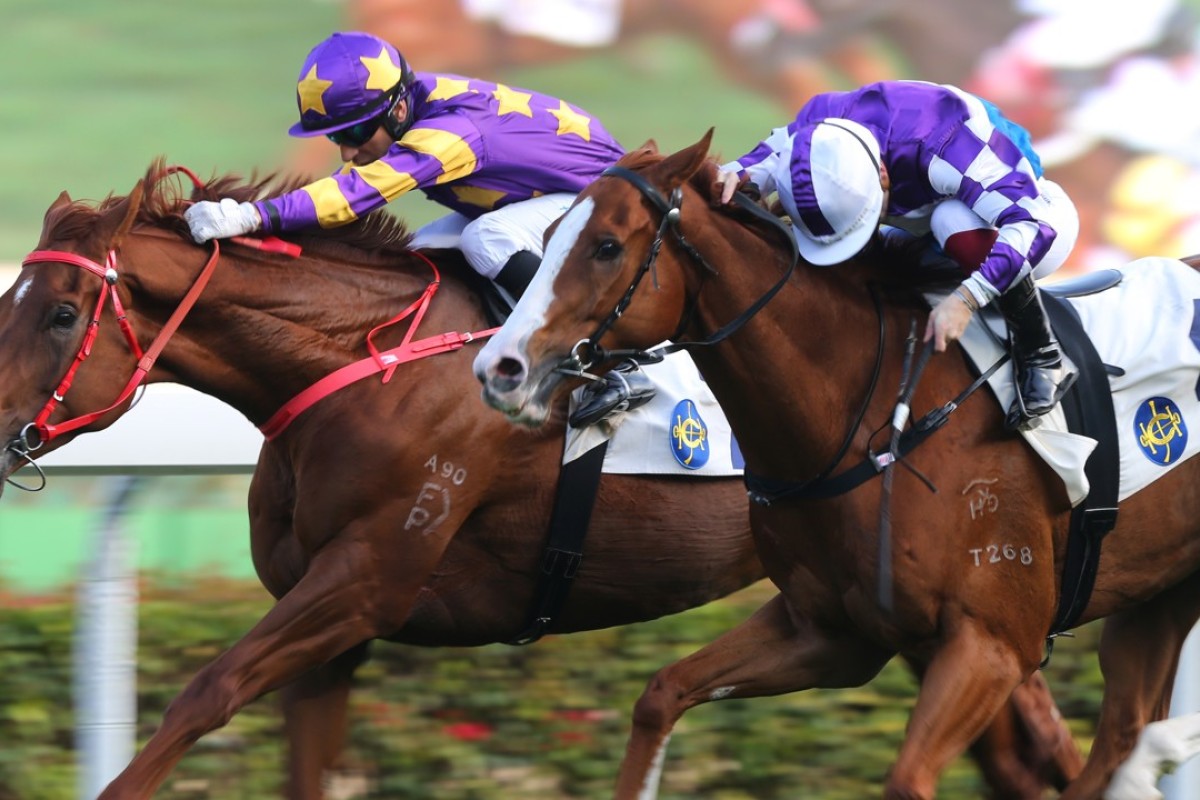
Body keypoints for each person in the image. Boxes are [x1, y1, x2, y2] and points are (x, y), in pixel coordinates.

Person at [184, 30, 652, 426]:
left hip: (601, 200)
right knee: (420, 251)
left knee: (486, 239)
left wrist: (254, 215)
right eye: (335, 137)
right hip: (540, 193)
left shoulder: (452, 134)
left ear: (399, 112)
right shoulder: (414, 103)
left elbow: (353, 194)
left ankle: (610, 364)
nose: (346, 152)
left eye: (353, 134)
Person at [715, 79, 1079, 429]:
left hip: (1037, 215)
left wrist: (967, 299)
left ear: (883, 174)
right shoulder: (822, 122)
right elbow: (781, 146)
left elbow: (1035, 224)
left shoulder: (948, 145)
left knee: (950, 220)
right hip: (928, 211)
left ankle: (1042, 353)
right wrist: (740, 173)